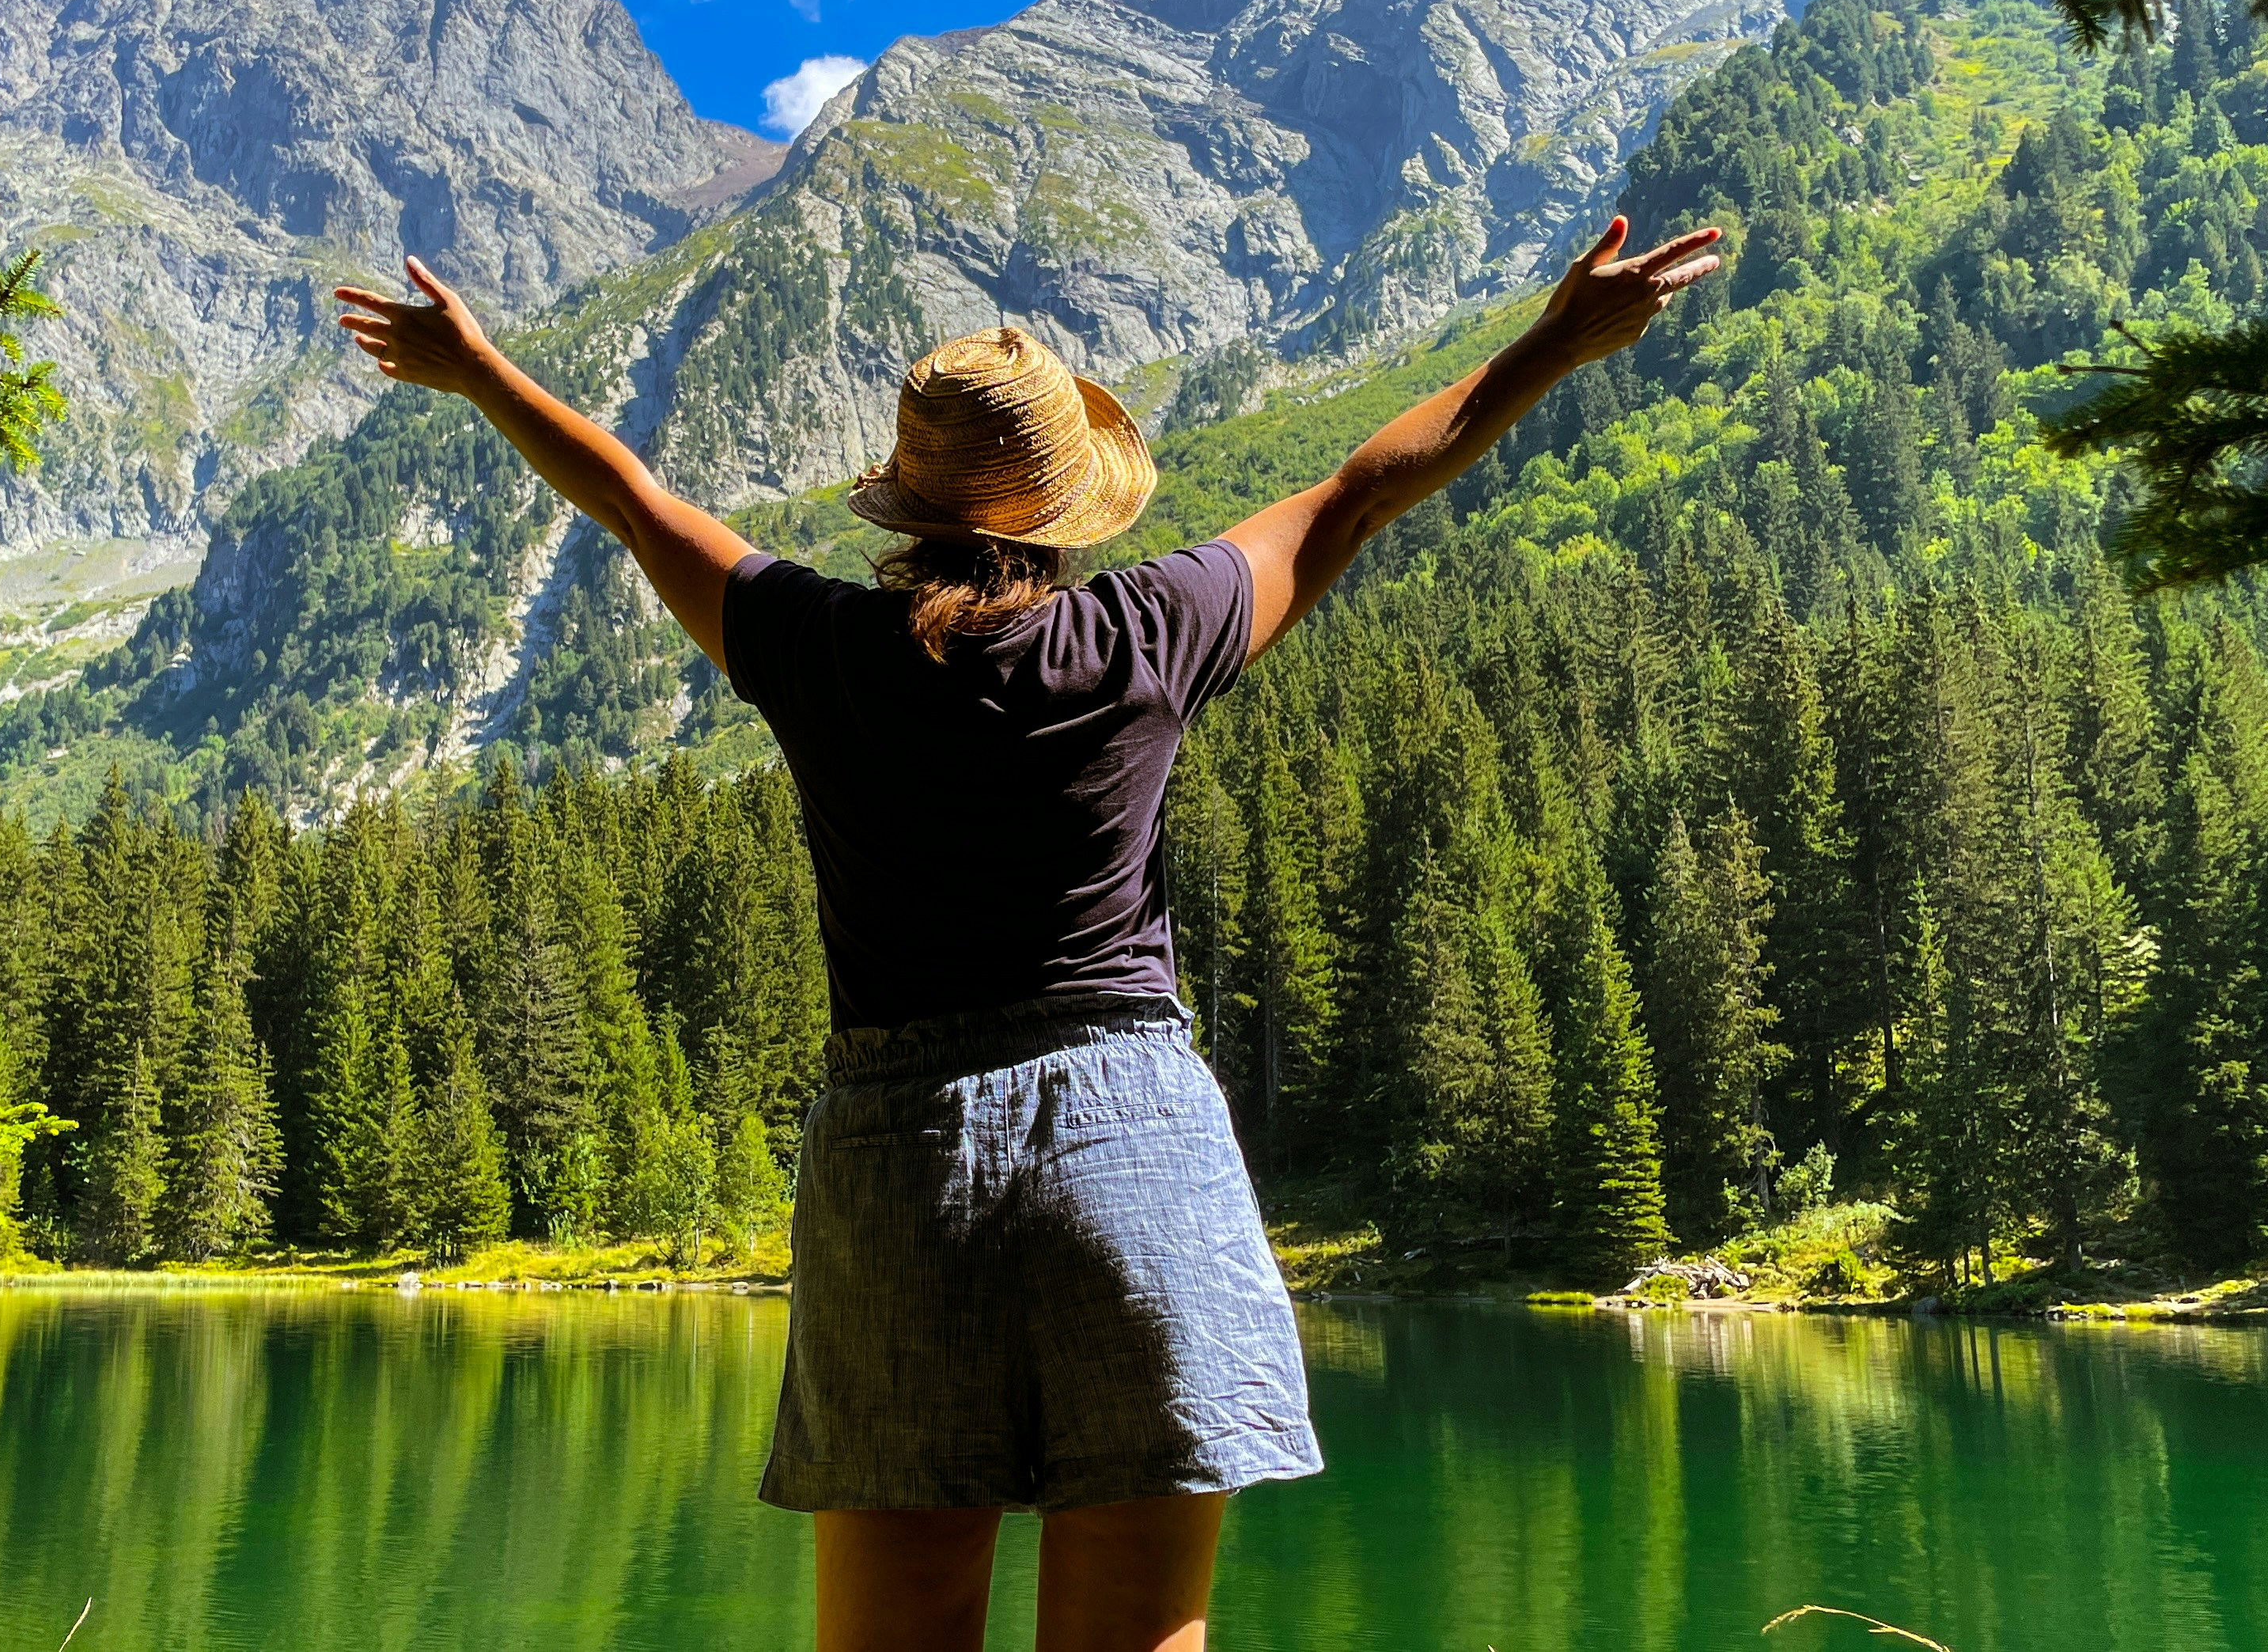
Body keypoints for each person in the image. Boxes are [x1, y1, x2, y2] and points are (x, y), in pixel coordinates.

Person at [335, 214, 1720, 1652]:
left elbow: (631, 501)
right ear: (1069, 516)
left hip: (897, 1169)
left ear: (910, 512)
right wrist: (1555, 342)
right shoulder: (1148, 632)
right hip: (1134, 1145)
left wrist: (481, 371)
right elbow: (1359, 494)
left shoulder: (814, 647)